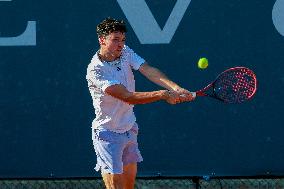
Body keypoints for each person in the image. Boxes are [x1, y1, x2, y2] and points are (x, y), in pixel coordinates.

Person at [86, 17, 195, 189]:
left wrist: (176, 88)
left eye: (122, 40)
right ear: (102, 40)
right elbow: (127, 96)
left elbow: (149, 70)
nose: (120, 44)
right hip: (107, 135)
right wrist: (163, 94)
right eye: (115, 40)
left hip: (129, 129)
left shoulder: (125, 52)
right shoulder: (96, 70)